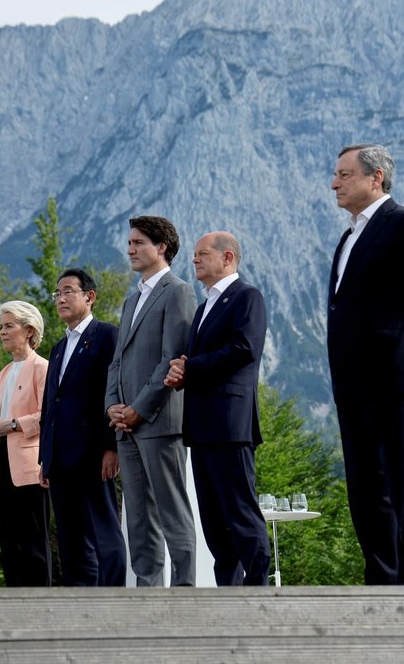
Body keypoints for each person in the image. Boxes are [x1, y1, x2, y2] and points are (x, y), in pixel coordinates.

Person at [327, 144, 404, 585]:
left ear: (376, 178)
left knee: (403, 478)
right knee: (365, 484)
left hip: (393, 374)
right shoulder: (347, 236)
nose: (334, 183)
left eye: (345, 174)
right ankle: (381, 573)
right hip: (352, 381)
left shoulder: (402, 221)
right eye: (335, 175)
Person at [164, 232, 270, 586]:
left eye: (201, 254)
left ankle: (257, 588)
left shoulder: (246, 297)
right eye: (193, 254)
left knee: (240, 511)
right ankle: (228, 591)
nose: (194, 259)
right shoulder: (203, 306)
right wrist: (183, 370)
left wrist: (190, 367)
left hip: (230, 423)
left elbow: (244, 348)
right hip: (202, 425)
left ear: (227, 258)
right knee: (213, 518)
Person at [106, 216, 196, 587]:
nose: (130, 249)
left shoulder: (179, 292)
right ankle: (147, 594)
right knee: (139, 519)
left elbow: (171, 358)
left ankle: (186, 590)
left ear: (161, 247)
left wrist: (139, 409)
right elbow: (118, 361)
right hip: (126, 427)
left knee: (172, 514)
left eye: (139, 242)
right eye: (129, 243)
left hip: (159, 423)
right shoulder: (131, 301)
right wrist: (112, 406)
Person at [39, 269, 127, 586]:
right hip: (60, 458)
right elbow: (50, 405)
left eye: (68, 291)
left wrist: (111, 446)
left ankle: (114, 596)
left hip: (93, 454)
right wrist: (44, 457)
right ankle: (80, 599)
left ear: (89, 297)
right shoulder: (59, 348)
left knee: (103, 530)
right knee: (70, 537)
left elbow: (114, 392)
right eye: (57, 293)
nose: (60, 299)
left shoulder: (107, 336)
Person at [0, 301, 51, 586]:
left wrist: (13, 425)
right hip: (2, 465)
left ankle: (41, 607)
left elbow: (48, 416)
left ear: (29, 330)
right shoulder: (3, 374)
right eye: (1, 326)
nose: (2, 332)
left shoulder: (42, 368)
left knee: (34, 543)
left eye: (9, 326)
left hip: (30, 469)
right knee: (8, 545)